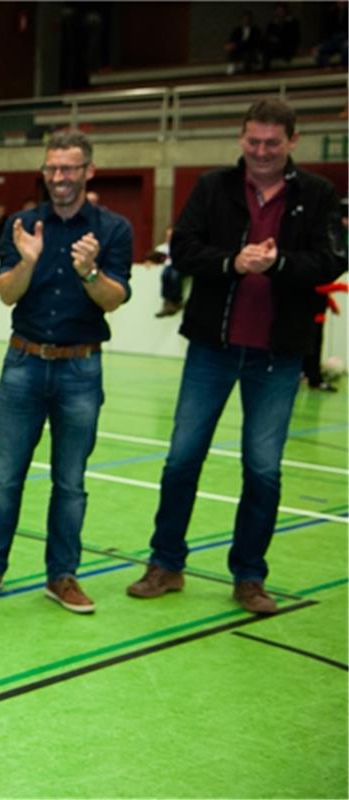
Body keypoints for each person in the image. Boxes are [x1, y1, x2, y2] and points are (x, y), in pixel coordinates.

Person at [126, 99, 346, 614]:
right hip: (211, 348)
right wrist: (233, 262)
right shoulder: (212, 187)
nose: (262, 152)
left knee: (263, 469)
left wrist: (277, 263)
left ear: (293, 140)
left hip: (278, 355)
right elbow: (182, 252)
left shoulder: (316, 194)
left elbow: (332, 259)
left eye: (272, 143)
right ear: (241, 138)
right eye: (253, 141)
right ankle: (165, 563)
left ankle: (249, 576)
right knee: (182, 458)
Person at [0, 130, 133, 615]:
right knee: (4, 478)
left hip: (81, 368)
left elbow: (114, 299)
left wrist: (90, 272)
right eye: (53, 168)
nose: (60, 177)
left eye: (70, 168)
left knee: (71, 482)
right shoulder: (22, 225)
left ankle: (63, 577)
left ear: (88, 172)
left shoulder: (112, 229)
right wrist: (28, 262)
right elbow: (6, 293)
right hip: (23, 364)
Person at [148, 226, 184, 317]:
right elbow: (153, 258)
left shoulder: (182, 246)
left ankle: (176, 300)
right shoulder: (161, 248)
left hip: (179, 266)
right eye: (168, 236)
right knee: (165, 275)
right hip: (168, 266)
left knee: (175, 275)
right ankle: (167, 301)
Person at [262, 2, 300, 70]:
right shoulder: (272, 23)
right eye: (278, 11)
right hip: (274, 46)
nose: (279, 13)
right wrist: (272, 39)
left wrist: (278, 39)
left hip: (286, 46)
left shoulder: (292, 22)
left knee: (271, 47)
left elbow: (292, 37)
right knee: (266, 45)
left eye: (281, 11)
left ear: (286, 11)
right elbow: (267, 35)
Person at [225, 10, 263, 75]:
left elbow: (254, 43)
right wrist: (230, 45)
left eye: (248, 19)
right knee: (231, 49)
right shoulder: (237, 30)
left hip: (250, 51)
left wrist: (238, 44)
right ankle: (232, 66)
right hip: (238, 51)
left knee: (248, 55)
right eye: (244, 19)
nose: (246, 21)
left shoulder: (256, 30)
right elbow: (232, 40)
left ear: (251, 20)